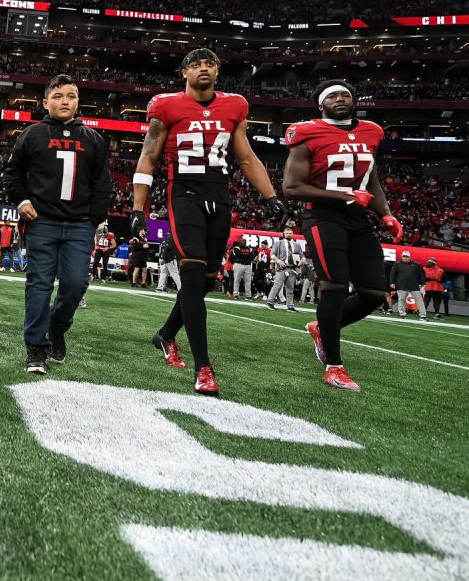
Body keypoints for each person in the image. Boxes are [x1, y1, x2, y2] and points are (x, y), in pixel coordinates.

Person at [131, 48, 286, 395]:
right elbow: (148, 156)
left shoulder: (234, 106)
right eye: (196, 64)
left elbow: (245, 156)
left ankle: (166, 335)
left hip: (220, 195)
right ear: (183, 72)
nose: (203, 68)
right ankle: (204, 367)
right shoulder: (166, 106)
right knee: (191, 269)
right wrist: (139, 209)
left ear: (217, 71)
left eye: (209, 64)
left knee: (204, 282)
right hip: (183, 193)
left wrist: (270, 196)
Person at [282, 79, 402, 391]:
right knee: (333, 286)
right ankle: (333, 366)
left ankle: (322, 329)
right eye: (332, 95)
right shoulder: (306, 131)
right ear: (320, 104)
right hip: (322, 215)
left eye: (345, 94)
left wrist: (385, 212)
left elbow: (370, 178)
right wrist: (344, 195)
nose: (340, 99)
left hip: (358, 217)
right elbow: (292, 188)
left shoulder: (371, 131)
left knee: (374, 294)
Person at [1, 73, 111, 374]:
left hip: (79, 226)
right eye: (59, 96)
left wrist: (94, 219)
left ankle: (58, 328)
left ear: (78, 101)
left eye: (71, 96)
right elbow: (11, 174)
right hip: (43, 222)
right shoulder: (32, 134)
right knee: (39, 284)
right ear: (45, 101)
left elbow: (102, 184)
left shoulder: (93, 139)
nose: (65, 101)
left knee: (76, 285)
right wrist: (22, 201)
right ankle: (35, 347)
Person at [265, 227, 300, 312]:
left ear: (293, 234)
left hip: (292, 268)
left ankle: (290, 306)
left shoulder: (297, 245)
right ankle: (270, 302)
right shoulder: (278, 243)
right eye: (287, 233)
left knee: (290, 288)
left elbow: (302, 257)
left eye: (290, 233)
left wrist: (301, 261)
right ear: (284, 234)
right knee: (277, 285)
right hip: (282, 268)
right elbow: (272, 254)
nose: (289, 234)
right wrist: (278, 261)